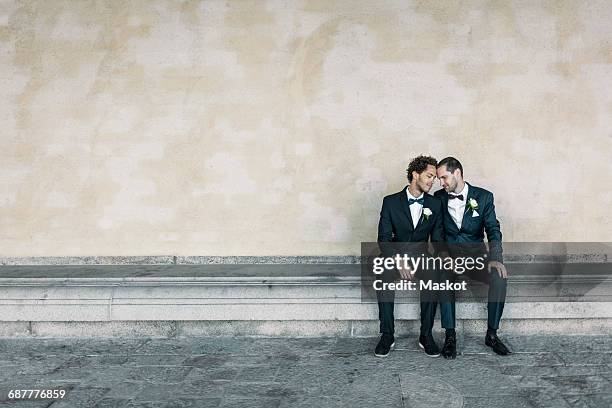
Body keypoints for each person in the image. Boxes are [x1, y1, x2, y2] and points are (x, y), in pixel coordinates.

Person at [434, 157, 511, 358]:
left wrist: (496, 258)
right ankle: (450, 336)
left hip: (477, 258)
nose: (441, 183)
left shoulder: (484, 197)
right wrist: (443, 255)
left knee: (499, 276)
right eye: (439, 179)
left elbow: (493, 230)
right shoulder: (438, 198)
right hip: (450, 258)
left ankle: (492, 334)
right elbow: (437, 234)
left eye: (444, 177)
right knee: (441, 275)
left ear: (457, 173)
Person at [375, 155, 445, 357]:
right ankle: (387, 334)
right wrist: (398, 260)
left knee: (434, 275)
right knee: (383, 275)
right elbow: (384, 238)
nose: (433, 181)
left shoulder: (435, 204)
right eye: (429, 176)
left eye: (434, 177)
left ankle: (426, 335)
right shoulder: (390, 202)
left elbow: (438, 238)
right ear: (415, 175)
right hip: (393, 255)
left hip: (421, 256)